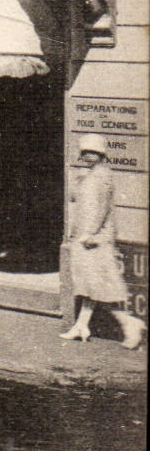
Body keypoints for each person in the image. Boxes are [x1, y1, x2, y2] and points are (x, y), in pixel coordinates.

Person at [61, 134, 147, 349]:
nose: (88, 156)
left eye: (93, 153)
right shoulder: (89, 175)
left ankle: (130, 324)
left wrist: (91, 234)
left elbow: (102, 209)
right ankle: (81, 326)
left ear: (101, 154)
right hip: (86, 238)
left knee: (101, 287)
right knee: (91, 286)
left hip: (96, 240)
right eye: (85, 153)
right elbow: (78, 202)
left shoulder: (103, 176)